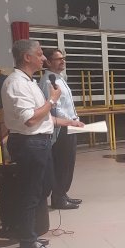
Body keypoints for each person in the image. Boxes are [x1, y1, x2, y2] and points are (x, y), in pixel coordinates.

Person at [1, 40, 64, 248]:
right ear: (27, 57)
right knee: (30, 193)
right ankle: (27, 243)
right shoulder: (16, 83)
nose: (44, 58)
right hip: (30, 143)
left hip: (39, 142)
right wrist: (52, 100)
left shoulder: (29, 81)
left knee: (42, 188)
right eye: (40, 54)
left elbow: (40, 116)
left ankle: (30, 234)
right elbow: (30, 119)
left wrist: (66, 120)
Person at [39, 49, 84, 209]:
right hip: (61, 128)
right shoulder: (48, 81)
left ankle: (63, 194)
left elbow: (67, 104)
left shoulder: (59, 78)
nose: (62, 61)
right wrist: (68, 121)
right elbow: (53, 108)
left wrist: (75, 119)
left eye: (63, 58)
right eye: (58, 59)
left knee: (68, 163)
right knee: (62, 164)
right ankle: (58, 198)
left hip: (70, 125)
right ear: (48, 62)